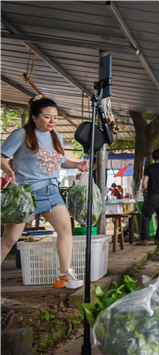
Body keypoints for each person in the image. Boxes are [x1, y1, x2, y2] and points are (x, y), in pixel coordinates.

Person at [0, 97, 90, 289]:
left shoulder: (56, 135)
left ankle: (65, 273)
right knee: (10, 239)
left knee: (66, 230)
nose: (52, 121)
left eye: (55, 118)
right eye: (47, 117)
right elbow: (2, 155)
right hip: (25, 195)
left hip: (51, 191)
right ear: (34, 117)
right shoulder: (21, 134)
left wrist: (77, 165)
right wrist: (8, 169)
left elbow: (59, 161)